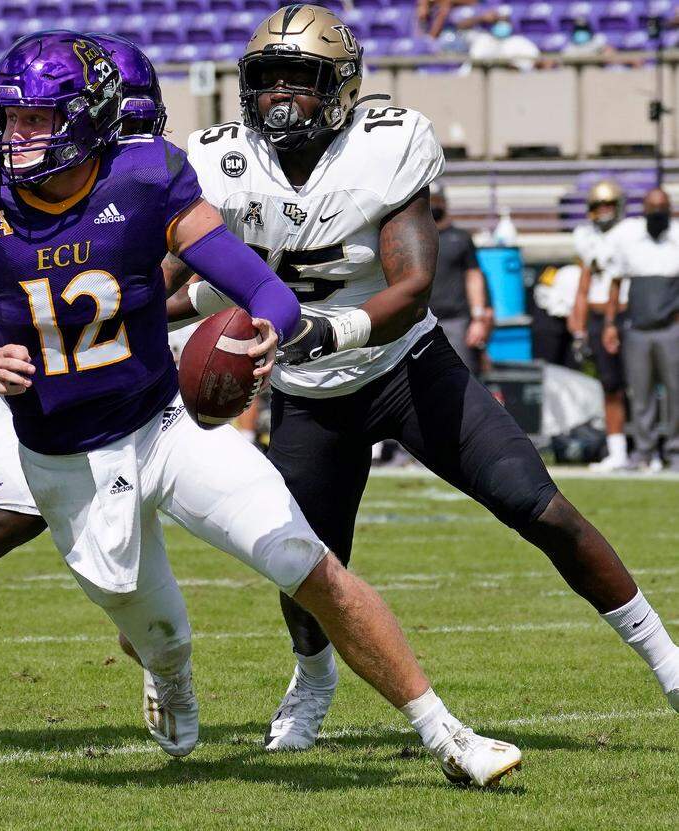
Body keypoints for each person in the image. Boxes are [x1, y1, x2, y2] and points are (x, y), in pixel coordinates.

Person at [0, 31, 521, 788]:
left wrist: (276, 322)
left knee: (305, 562)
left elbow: (235, 276)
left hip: (158, 424)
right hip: (6, 408)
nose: (21, 136)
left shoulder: (144, 181)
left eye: (41, 119)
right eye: (14, 118)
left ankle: (447, 734)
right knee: (108, 585)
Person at [169, 4, 679, 753]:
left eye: (299, 78)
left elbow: (412, 283)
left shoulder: (387, 144)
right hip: (309, 396)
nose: (279, 94)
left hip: (405, 368)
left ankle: (667, 662)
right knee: (304, 566)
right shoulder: (217, 157)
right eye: (266, 77)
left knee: (542, 509)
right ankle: (312, 679)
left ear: (341, 87)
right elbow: (186, 276)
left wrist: (329, 328)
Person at [603, 188, 679, 471]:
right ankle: (644, 450)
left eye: (662, 206)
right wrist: (610, 323)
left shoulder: (677, 239)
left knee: (675, 392)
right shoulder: (630, 241)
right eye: (652, 206)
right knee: (640, 391)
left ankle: (674, 450)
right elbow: (616, 283)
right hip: (637, 328)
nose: (657, 211)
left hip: (670, 328)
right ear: (643, 210)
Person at [568, 180, 630, 471]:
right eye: (599, 205)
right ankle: (618, 450)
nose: (604, 211)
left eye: (609, 204)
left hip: (628, 315)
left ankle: (651, 447)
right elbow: (583, 287)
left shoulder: (631, 234)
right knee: (610, 385)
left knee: (640, 386)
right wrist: (579, 329)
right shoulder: (586, 237)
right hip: (596, 316)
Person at [428, 182, 493, 374]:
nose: (434, 205)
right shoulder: (412, 238)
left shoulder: (460, 238)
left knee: (462, 377)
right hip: (421, 322)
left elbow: (474, 277)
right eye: (430, 201)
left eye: (438, 201)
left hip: (456, 321)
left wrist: (479, 319)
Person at [457, 6, 540, 72]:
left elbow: (530, 66)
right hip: (472, 81)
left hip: (505, 84)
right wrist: (481, 18)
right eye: (498, 21)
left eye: (505, 20)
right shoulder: (481, 38)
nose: (501, 23)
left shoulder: (520, 42)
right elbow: (460, 27)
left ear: (510, 23)